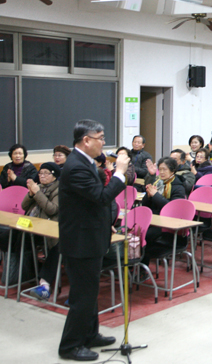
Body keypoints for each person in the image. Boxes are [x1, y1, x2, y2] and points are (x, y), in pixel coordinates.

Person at [57, 120, 129, 361]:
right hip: (81, 241)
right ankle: (70, 346)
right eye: (100, 137)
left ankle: (90, 334)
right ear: (86, 141)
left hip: (90, 237)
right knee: (82, 296)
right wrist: (119, 173)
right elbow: (101, 197)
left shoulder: (85, 162)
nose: (103, 142)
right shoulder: (76, 166)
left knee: (90, 291)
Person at [22, 162, 61, 300]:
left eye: (46, 173)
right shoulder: (38, 187)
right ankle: (30, 272)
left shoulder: (59, 190)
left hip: (50, 229)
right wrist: (31, 193)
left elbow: (52, 209)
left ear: (54, 176)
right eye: (41, 173)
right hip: (31, 225)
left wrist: (37, 193)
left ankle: (43, 283)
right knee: (10, 237)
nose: (42, 176)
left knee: (56, 248)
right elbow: (23, 205)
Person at [141, 157, 187, 268]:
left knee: (145, 235)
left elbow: (172, 209)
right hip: (155, 220)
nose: (161, 172)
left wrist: (155, 195)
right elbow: (145, 205)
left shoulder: (178, 187)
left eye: (164, 169)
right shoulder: (158, 183)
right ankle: (134, 265)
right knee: (135, 232)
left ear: (172, 171)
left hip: (168, 225)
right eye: (160, 169)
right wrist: (148, 195)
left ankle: (142, 268)